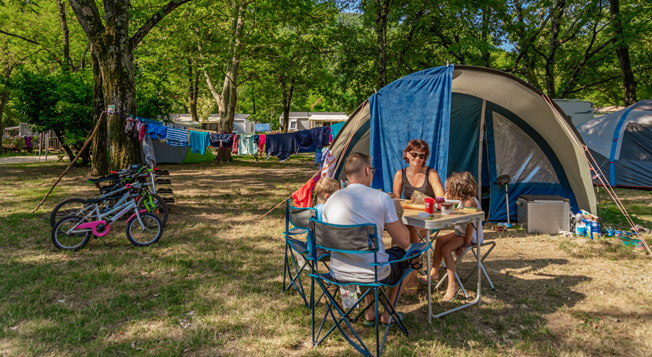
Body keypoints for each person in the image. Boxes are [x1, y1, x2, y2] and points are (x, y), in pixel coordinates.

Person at [322, 152, 411, 325]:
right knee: (411, 256)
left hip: (338, 272)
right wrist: (397, 212)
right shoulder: (381, 198)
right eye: (372, 169)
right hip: (373, 273)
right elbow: (404, 241)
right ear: (366, 171)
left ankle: (370, 312)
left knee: (368, 255)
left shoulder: (331, 200)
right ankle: (388, 314)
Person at [392, 139, 444, 294]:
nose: (417, 158)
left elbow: (440, 199)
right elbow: (395, 199)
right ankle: (398, 273)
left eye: (421, 156)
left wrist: (409, 204)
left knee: (410, 233)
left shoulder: (431, 173)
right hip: (407, 218)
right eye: (414, 154)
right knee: (398, 233)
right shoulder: (400, 174)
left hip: (427, 220)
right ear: (407, 154)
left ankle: (413, 275)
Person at [426, 171, 483, 301]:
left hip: (470, 236)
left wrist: (465, 245)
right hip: (460, 233)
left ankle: (453, 285)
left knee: (446, 249)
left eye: (448, 189)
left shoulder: (470, 203)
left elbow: (469, 225)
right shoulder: (461, 200)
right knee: (440, 240)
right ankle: (434, 272)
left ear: (457, 190)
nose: (446, 192)